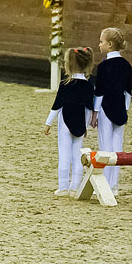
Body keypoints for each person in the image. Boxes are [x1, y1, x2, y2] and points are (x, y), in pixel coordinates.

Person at [43, 46, 94, 195]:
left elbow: (57, 106)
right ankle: (75, 187)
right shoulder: (89, 86)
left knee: (64, 155)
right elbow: (89, 109)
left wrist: (48, 123)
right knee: (77, 156)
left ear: (69, 65)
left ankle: (63, 187)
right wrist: (85, 126)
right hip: (80, 123)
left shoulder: (65, 84)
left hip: (65, 123)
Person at [90, 28, 132, 195]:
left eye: (101, 42)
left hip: (105, 108)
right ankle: (114, 185)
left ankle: (105, 184)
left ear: (110, 44)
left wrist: (95, 112)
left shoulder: (103, 66)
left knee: (105, 147)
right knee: (117, 148)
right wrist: (126, 109)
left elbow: (99, 92)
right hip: (120, 108)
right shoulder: (126, 65)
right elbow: (128, 92)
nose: (99, 45)